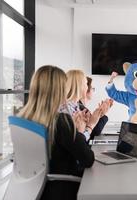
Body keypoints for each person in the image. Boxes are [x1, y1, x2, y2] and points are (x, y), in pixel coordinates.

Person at [18, 65, 99, 200]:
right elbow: (88, 159)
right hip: (62, 187)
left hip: (34, 189)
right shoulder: (61, 121)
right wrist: (78, 131)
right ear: (60, 89)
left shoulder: (23, 118)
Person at [63, 70, 111, 141]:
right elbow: (78, 141)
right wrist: (91, 125)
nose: (87, 87)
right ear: (79, 86)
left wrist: (97, 116)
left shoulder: (73, 106)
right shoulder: (68, 109)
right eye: (85, 83)